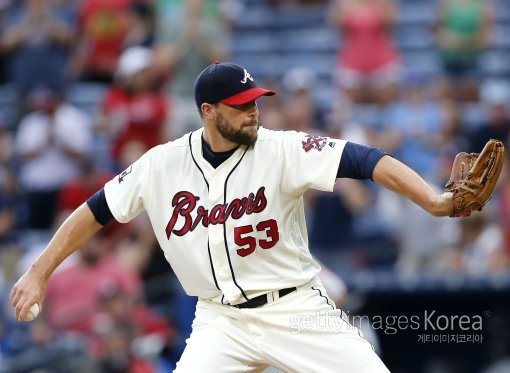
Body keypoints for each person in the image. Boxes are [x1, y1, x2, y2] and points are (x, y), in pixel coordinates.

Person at [11, 61, 456, 372]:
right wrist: (38, 271)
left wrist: (433, 201)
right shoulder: (161, 164)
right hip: (220, 320)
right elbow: (94, 212)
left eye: (255, 101)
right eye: (241, 105)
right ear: (208, 111)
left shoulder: (281, 147)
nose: (253, 111)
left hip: (294, 307)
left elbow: (367, 159)